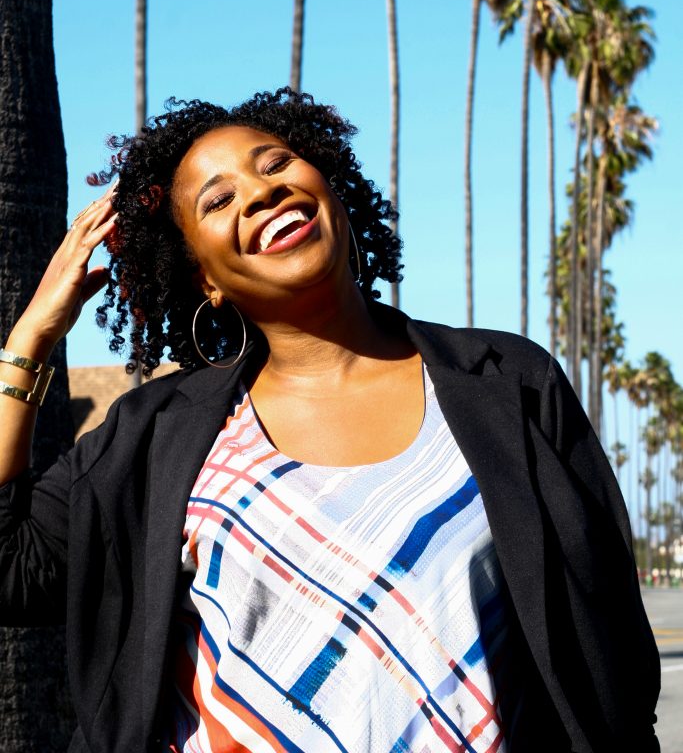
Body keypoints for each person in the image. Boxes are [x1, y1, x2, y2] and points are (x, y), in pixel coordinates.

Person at [0, 88, 660, 753]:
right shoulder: (155, 435)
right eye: (218, 199)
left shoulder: (506, 384)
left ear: (330, 188)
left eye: (275, 164)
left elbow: (611, 644)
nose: (261, 193)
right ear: (206, 279)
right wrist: (32, 335)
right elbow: (9, 568)